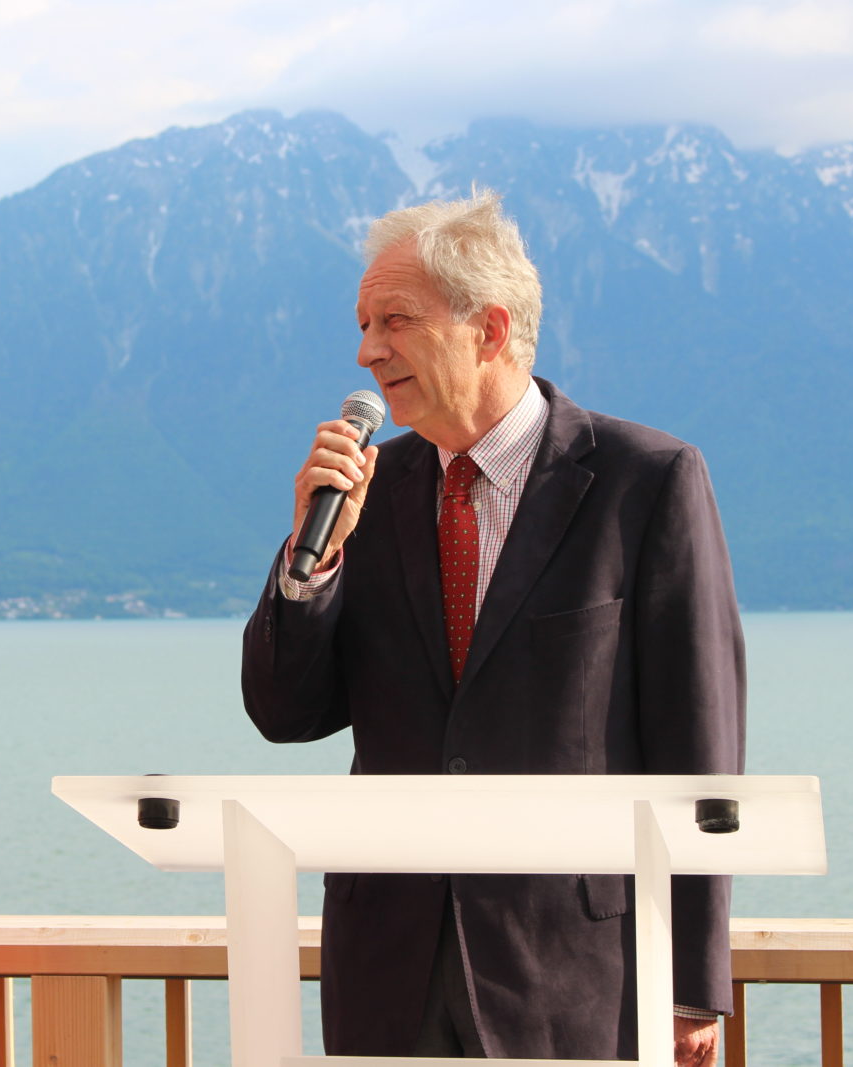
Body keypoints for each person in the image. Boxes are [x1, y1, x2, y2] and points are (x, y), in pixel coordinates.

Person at [241, 190, 745, 1065]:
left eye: (394, 320)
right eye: (363, 325)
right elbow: (285, 712)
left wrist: (692, 978)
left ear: (489, 327)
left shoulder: (646, 482)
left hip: (575, 974)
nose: (367, 352)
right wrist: (310, 559)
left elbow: (699, 744)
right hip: (385, 974)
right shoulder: (367, 492)